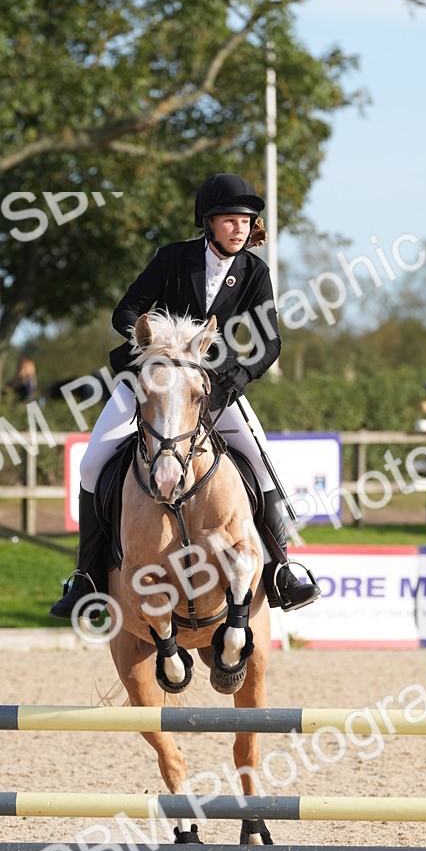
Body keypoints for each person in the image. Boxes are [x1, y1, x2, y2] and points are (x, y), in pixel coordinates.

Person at [50, 172, 321, 620]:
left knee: (261, 459)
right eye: (230, 220)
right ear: (208, 222)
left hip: (212, 385)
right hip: (151, 379)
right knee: (92, 461)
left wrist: (239, 376)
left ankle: (282, 573)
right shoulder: (173, 258)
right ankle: (88, 578)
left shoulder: (255, 271)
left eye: (246, 220)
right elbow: (127, 311)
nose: (240, 228)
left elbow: (271, 343)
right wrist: (154, 340)